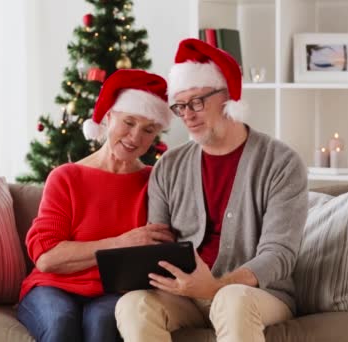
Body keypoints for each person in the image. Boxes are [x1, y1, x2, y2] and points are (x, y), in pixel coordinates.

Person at [115, 38, 308, 342]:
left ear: (227, 96)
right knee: (132, 305)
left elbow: (279, 254)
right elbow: (158, 241)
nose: (188, 115)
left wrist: (216, 286)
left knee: (232, 299)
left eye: (197, 102)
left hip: (256, 294)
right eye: (180, 106)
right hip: (183, 296)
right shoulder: (169, 165)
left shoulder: (281, 162)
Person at [17, 69, 175, 342]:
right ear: (109, 117)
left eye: (148, 130)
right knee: (61, 322)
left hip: (114, 293)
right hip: (52, 288)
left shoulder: (154, 182)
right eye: (128, 122)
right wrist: (122, 242)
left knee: (103, 323)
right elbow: (47, 257)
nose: (135, 137)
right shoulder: (66, 177)